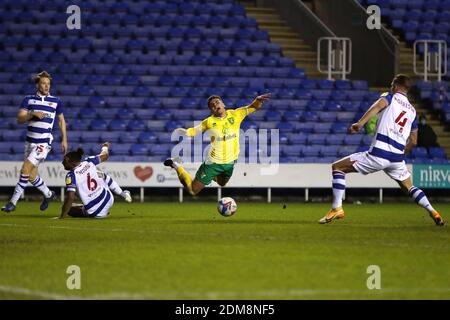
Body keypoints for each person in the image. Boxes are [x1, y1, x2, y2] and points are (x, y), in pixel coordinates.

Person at [319, 74, 444, 226]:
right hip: (397, 158)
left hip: (379, 153)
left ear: (397, 86)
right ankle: (433, 211)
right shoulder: (412, 112)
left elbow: (377, 106)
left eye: (392, 84)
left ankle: (336, 208)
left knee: (338, 167)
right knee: (409, 187)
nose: (390, 86)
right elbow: (414, 141)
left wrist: (360, 123)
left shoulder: (390, 97)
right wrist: (400, 155)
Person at [164, 94, 271, 195]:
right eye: (212, 105)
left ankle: (211, 178)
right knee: (193, 190)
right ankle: (177, 165)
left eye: (217, 102)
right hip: (213, 163)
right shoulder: (209, 121)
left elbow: (252, 107)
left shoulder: (236, 114)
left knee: (222, 183)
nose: (215, 105)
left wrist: (258, 101)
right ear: (211, 110)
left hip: (230, 162)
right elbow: (195, 130)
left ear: (223, 104)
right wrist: (185, 132)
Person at [2, 71, 67, 213]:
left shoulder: (56, 101)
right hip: (29, 142)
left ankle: (12, 202)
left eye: (48, 84)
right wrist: (32, 114)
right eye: (43, 83)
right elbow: (19, 119)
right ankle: (49, 194)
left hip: (43, 143)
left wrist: (64, 140)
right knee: (31, 176)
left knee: (25, 169)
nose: (46, 86)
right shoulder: (28, 99)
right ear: (38, 84)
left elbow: (61, 120)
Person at [58, 143, 131, 219]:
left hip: (94, 212)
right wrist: (105, 147)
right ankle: (123, 194)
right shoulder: (89, 161)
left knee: (68, 208)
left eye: (64, 160)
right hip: (109, 199)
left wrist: (62, 217)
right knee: (101, 175)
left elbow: (70, 197)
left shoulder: (71, 175)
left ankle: (99, 211)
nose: (62, 162)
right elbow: (105, 156)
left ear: (72, 162)